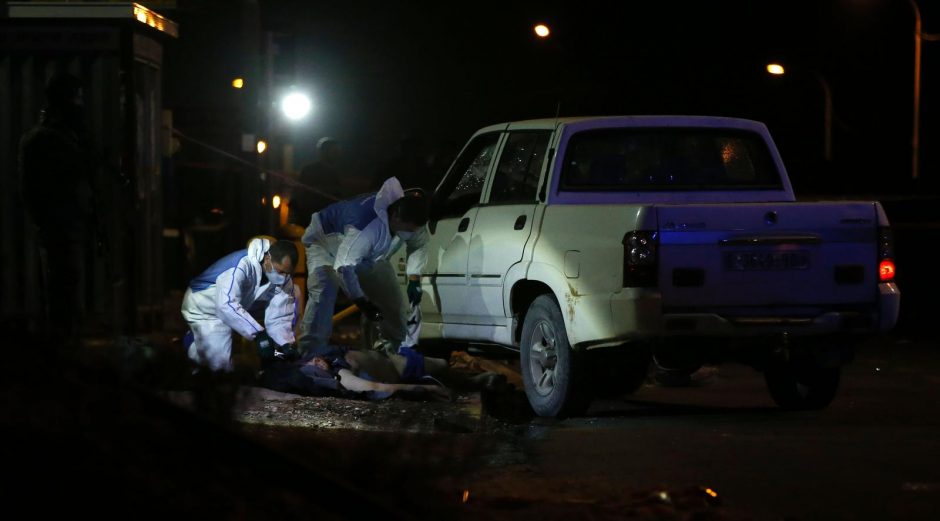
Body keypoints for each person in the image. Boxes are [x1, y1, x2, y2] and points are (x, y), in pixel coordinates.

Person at [298, 176, 430, 359]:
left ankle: (393, 353)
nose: (411, 233)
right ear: (396, 217)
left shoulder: (409, 217)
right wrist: (362, 301)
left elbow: (419, 243)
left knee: (393, 302)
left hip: (369, 255)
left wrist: (414, 278)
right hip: (324, 244)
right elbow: (344, 268)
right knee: (324, 291)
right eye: (408, 229)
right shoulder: (366, 228)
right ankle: (309, 355)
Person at [17, 72, 98, 352]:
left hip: (61, 225)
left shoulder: (44, 139)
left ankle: (63, 343)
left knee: (62, 287)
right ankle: (63, 346)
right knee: (63, 289)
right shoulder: (53, 140)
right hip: (60, 227)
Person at [181, 238, 300, 373]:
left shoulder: (283, 278)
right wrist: (258, 335)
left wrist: (286, 343)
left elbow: (280, 315)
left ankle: (200, 342)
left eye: (288, 273)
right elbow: (226, 305)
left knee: (215, 361)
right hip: (205, 307)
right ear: (267, 259)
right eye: (281, 272)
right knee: (220, 369)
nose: (284, 277)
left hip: (237, 305)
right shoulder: (240, 265)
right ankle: (193, 344)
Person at [290, 136, 343, 225]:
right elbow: (300, 195)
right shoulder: (309, 170)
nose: (337, 154)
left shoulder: (336, 173)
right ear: (325, 152)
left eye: (337, 152)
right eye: (334, 151)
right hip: (310, 219)